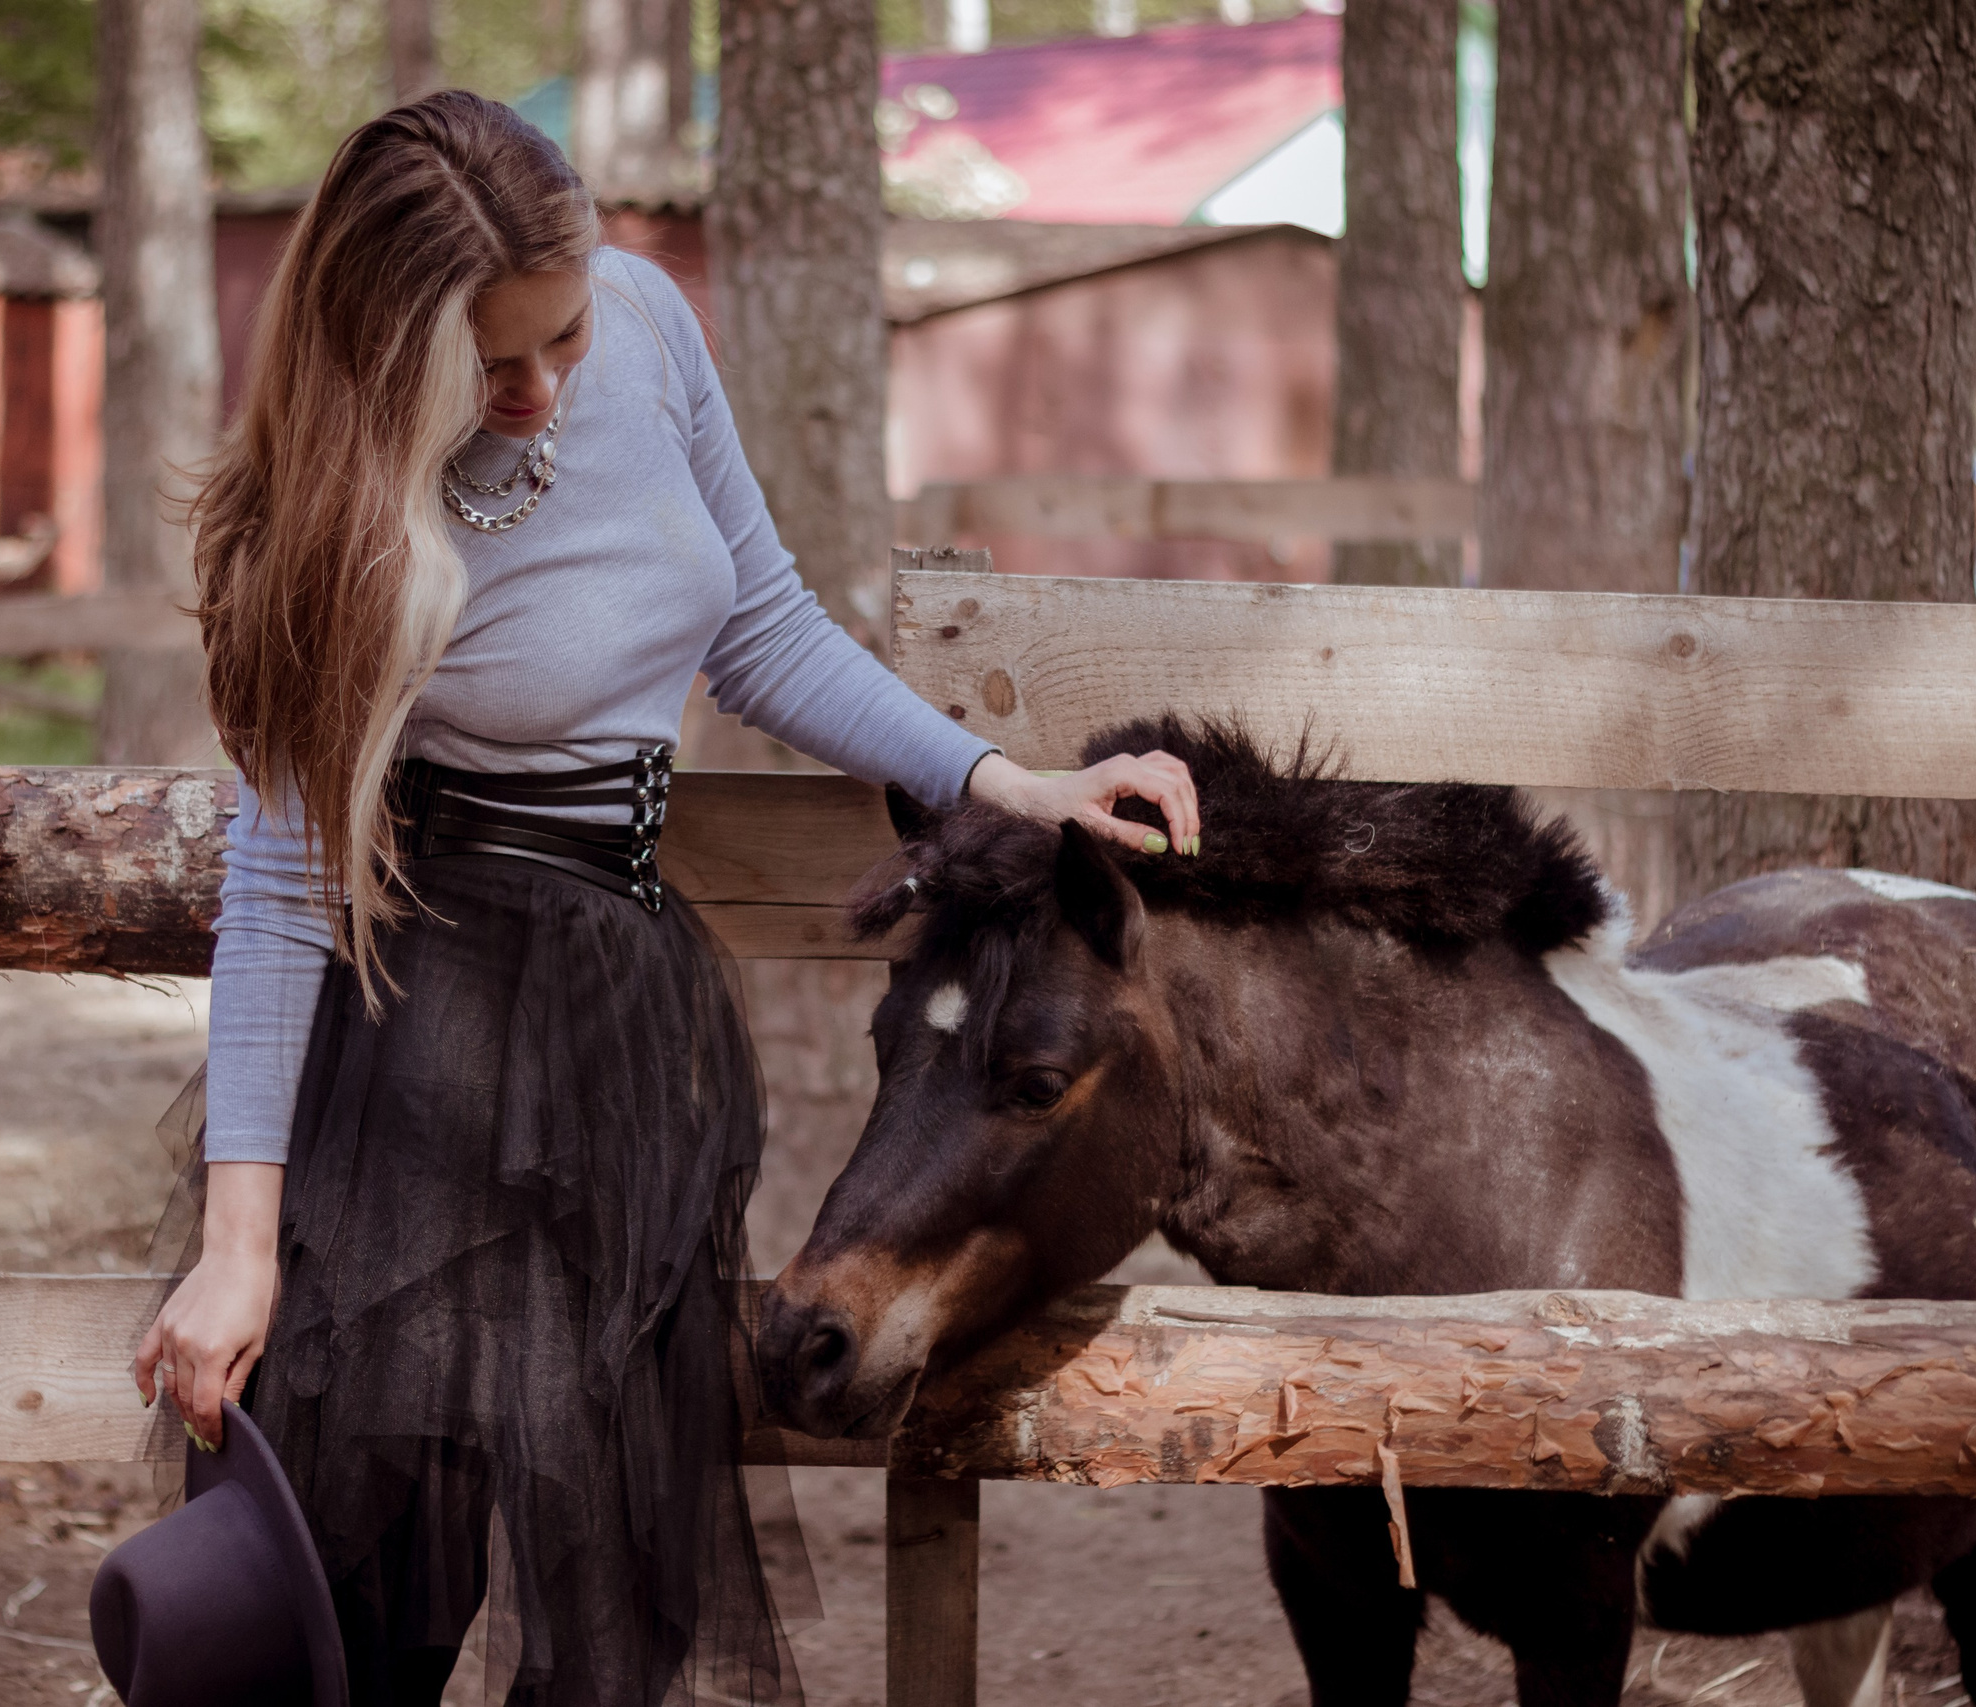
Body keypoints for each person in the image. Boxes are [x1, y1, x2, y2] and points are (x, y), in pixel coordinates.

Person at [132, 89, 1201, 1707]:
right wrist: (240, 1246)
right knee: (377, 1602)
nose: (545, 390)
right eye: (494, 365)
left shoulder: (643, 317)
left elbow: (762, 629)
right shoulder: (332, 513)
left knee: (605, 1615)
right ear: (394, 348)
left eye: (560, 337)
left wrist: (1007, 785)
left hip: (622, 1035)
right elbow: (283, 883)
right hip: (421, 1050)